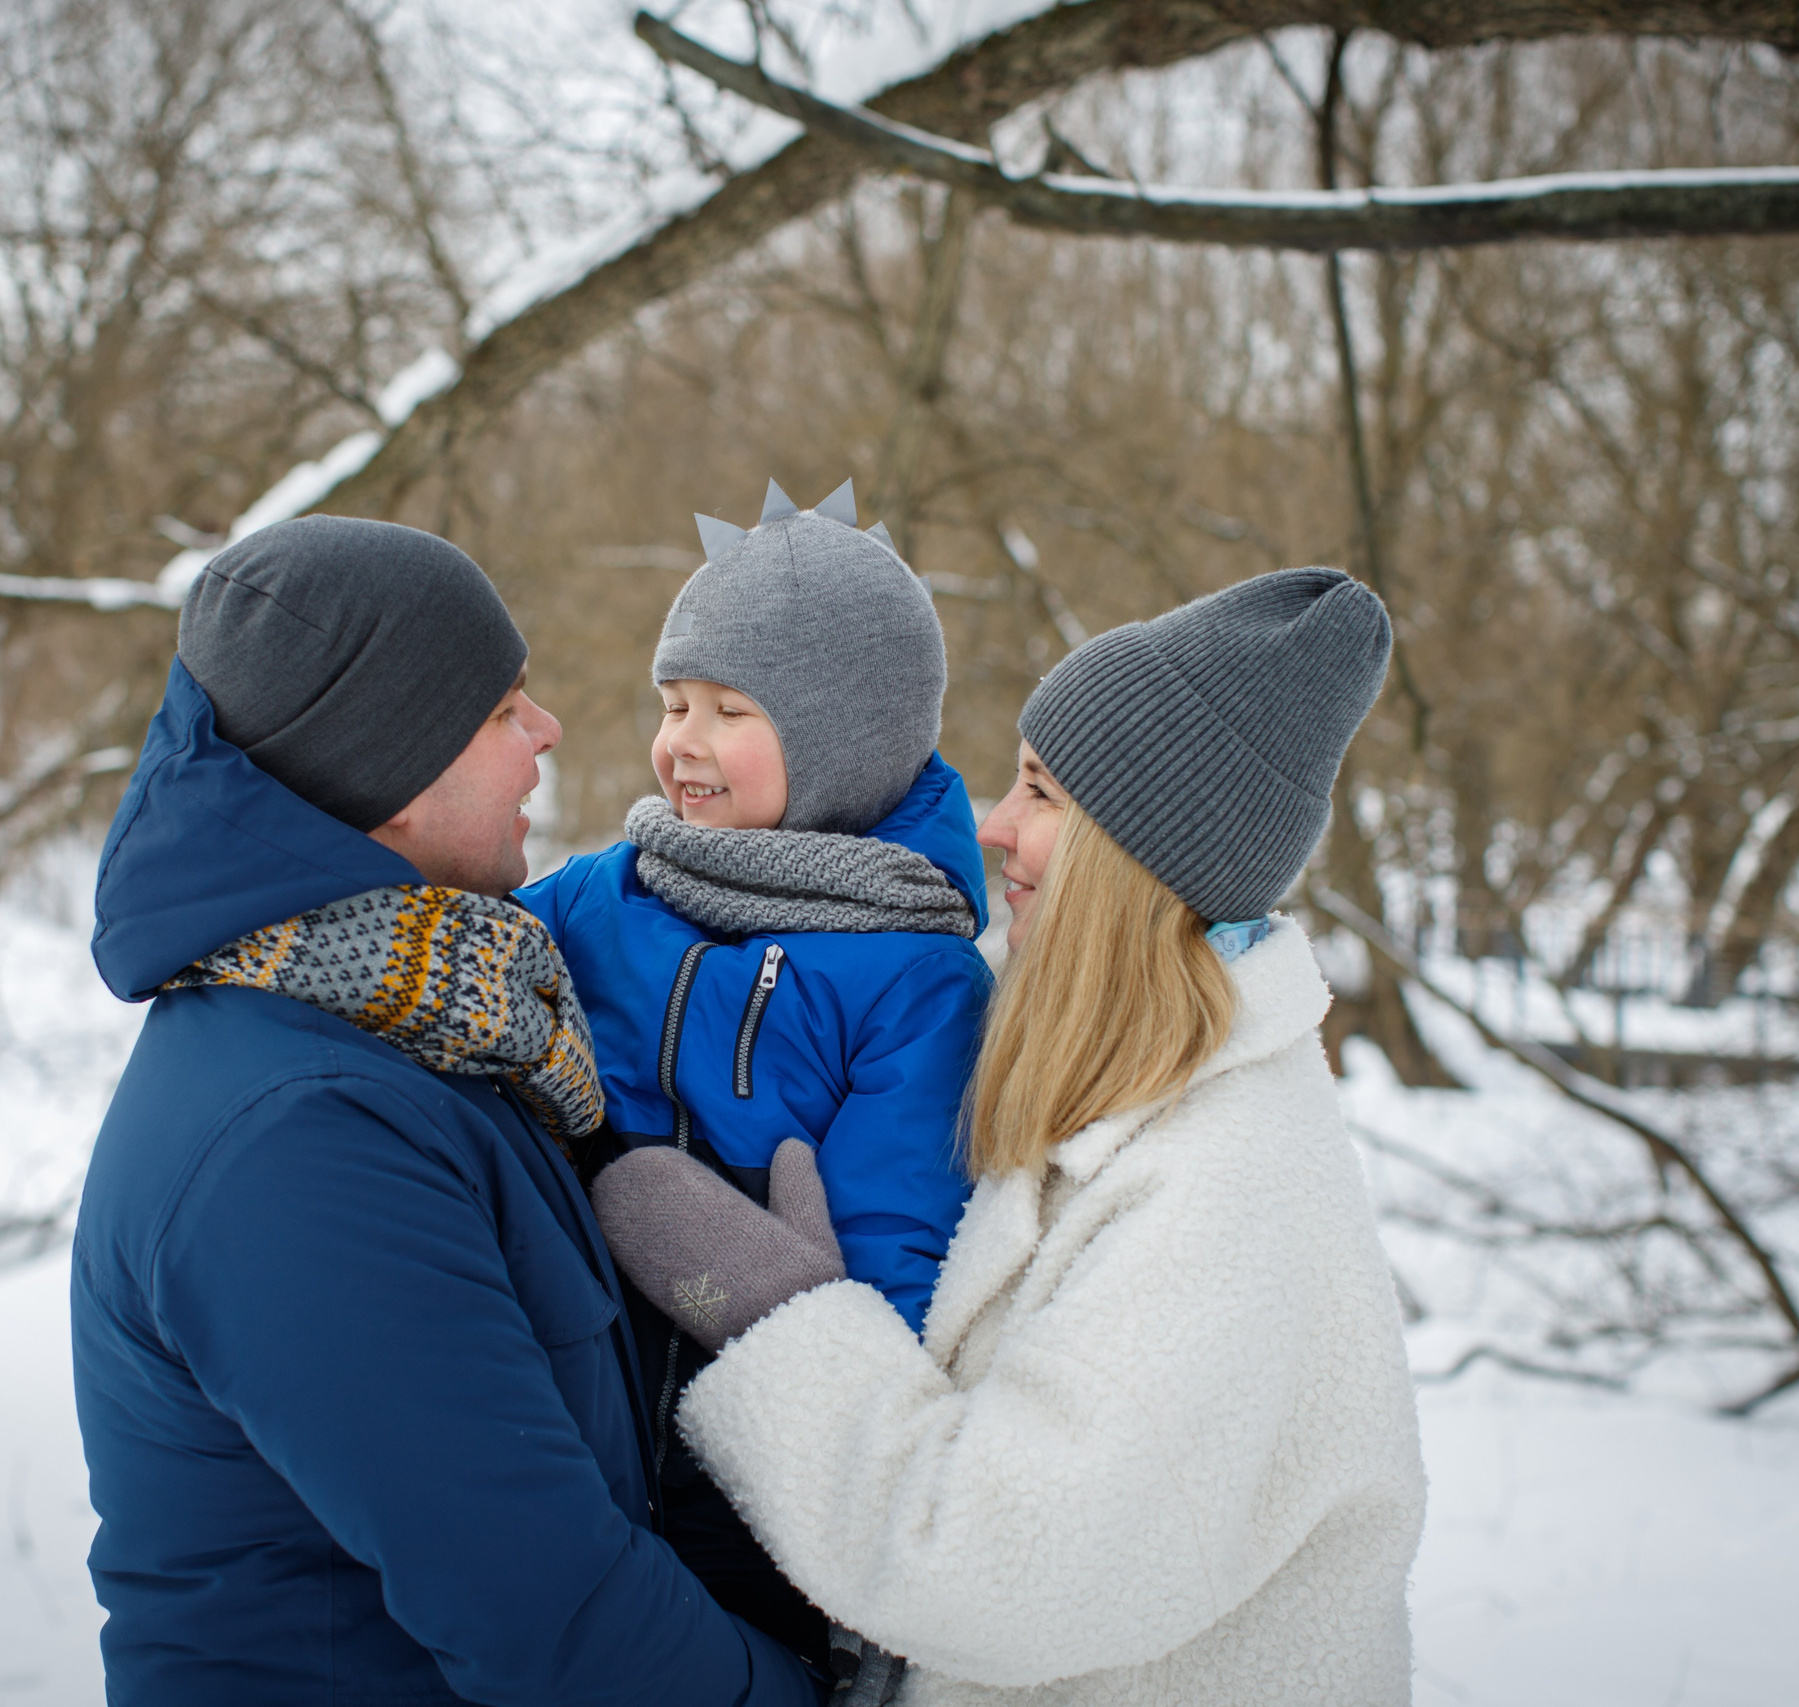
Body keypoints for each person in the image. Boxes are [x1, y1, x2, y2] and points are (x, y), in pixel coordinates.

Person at [592, 566, 1431, 1705]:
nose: (993, 824)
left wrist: (774, 1320)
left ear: (1137, 855)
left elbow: (987, 1568)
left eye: (1040, 793)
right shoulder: (1053, 1054)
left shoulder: (1229, 1190)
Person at [71, 516, 818, 1706]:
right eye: (498, 707)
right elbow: (552, 1616)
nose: (546, 733)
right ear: (384, 757)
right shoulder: (300, 1137)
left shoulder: (424, 1032)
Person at [515, 478, 992, 1671]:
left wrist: (850, 1493)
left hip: (752, 1474)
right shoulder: (600, 895)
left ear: (845, 737)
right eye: (673, 702)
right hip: (573, 1421)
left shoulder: (909, 971)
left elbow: (897, 1243)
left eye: (730, 709)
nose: (681, 743)